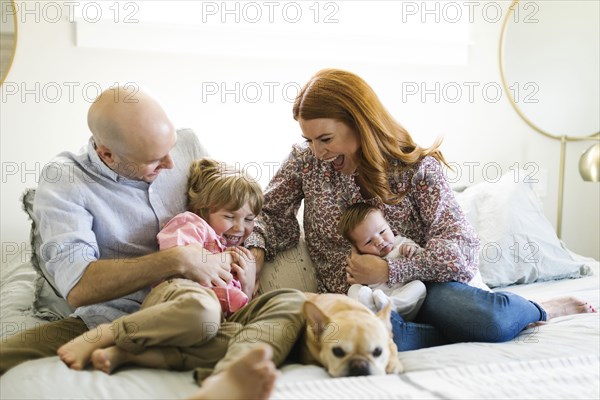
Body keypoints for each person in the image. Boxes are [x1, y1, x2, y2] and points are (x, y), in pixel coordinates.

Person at [246, 68, 595, 351]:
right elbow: (271, 214)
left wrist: (388, 269)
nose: (317, 151)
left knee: (493, 321)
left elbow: (461, 250)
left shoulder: (417, 170)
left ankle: (543, 308)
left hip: (424, 290)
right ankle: (425, 333)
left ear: (361, 124)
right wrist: (254, 254)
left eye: (326, 139)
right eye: (309, 140)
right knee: (367, 336)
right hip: (357, 301)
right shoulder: (306, 163)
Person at [0, 86, 305, 400]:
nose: (172, 164)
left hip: (210, 306)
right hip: (123, 313)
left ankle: (226, 380)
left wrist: (250, 260)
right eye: (155, 161)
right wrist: (179, 259)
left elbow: (236, 211)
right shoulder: (66, 179)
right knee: (7, 356)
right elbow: (78, 286)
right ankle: (119, 341)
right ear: (107, 154)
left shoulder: (188, 145)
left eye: (171, 147)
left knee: (292, 305)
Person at [56, 157, 265, 373]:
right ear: (203, 210)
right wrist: (224, 260)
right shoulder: (193, 225)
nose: (240, 228)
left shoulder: (238, 254)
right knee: (202, 312)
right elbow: (178, 256)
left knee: (250, 337)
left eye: (249, 219)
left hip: (208, 326)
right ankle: (109, 333)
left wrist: (248, 288)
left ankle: (127, 355)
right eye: (230, 216)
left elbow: (235, 309)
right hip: (180, 296)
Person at [339, 202, 427, 320]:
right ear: (357, 248)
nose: (379, 241)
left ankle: (391, 306)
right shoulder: (362, 259)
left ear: (388, 224)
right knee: (353, 290)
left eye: (382, 232)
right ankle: (368, 308)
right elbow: (352, 278)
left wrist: (413, 250)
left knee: (420, 286)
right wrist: (354, 276)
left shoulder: (401, 243)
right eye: (368, 242)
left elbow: (423, 260)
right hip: (375, 299)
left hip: (403, 301)